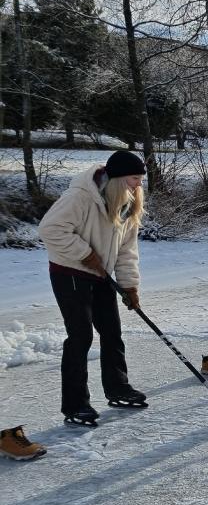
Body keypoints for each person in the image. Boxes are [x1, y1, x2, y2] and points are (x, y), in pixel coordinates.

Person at [38, 150, 149, 427]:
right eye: (134, 179)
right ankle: (76, 405)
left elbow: (126, 250)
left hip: (101, 274)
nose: (138, 185)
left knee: (112, 331)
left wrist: (130, 287)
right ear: (118, 178)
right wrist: (85, 254)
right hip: (70, 272)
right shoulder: (80, 197)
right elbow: (50, 229)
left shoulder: (127, 202)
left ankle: (118, 388)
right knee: (81, 336)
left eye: (140, 179)